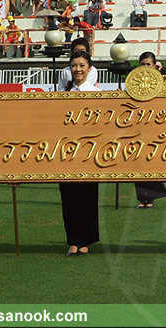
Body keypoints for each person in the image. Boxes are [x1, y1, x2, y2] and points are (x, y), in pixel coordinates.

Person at [59, 50, 100, 256]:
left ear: (89, 69)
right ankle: (73, 241)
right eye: (74, 66)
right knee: (68, 198)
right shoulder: (62, 94)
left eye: (82, 65)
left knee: (88, 198)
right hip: (66, 154)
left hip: (89, 154)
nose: (78, 69)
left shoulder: (95, 94)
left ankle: (86, 240)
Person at [134, 52, 166, 209]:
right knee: (139, 162)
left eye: (148, 64)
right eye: (143, 64)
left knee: (151, 161)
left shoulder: (162, 82)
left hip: (156, 124)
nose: (145, 67)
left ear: (154, 66)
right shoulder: (134, 82)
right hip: (138, 126)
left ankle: (151, 197)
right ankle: (142, 198)